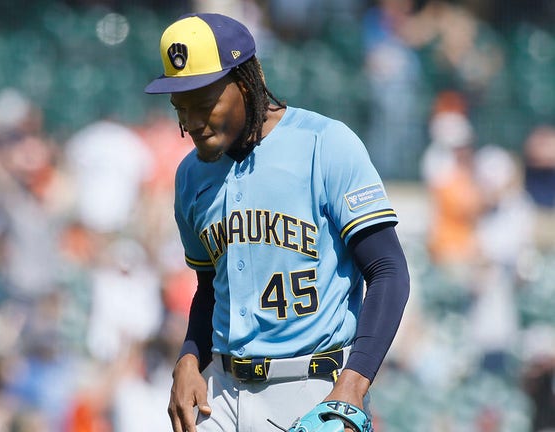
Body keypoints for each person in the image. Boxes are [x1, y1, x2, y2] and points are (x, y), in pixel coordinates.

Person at [144, 13, 410, 432]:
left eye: (204, 104)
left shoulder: (325, 144)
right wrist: (190, 357)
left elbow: (388, 271)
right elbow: (210, 288)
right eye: (181, 107)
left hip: (312, 388)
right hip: (221, 395)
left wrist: (353, 386)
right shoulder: (191, 176)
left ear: (247, 83)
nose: (192, 122)